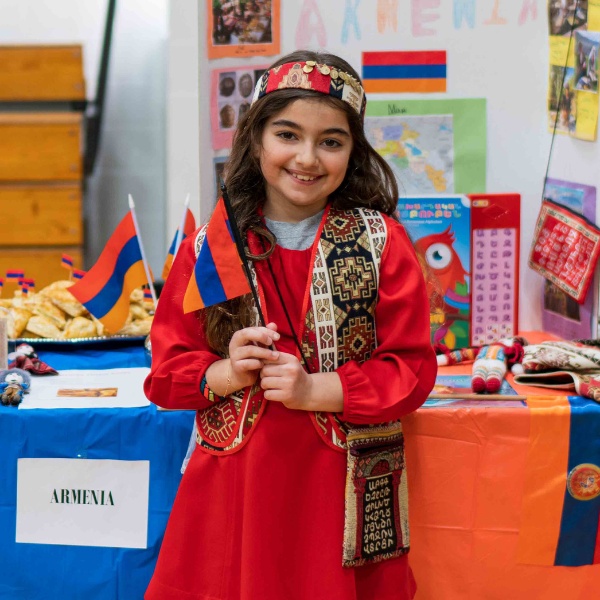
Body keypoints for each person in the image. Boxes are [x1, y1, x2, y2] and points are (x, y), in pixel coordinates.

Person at [144, 49, 437, 600]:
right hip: (236, 490)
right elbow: (166, 370)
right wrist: (226, 373)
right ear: (255, 141)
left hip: (337, 491)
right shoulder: (213, 247)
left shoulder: (381, 243)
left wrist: (316, 389)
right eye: (288, 134)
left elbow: (412, 369)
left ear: (353, 151)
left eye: (331, 140)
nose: (308, 157)